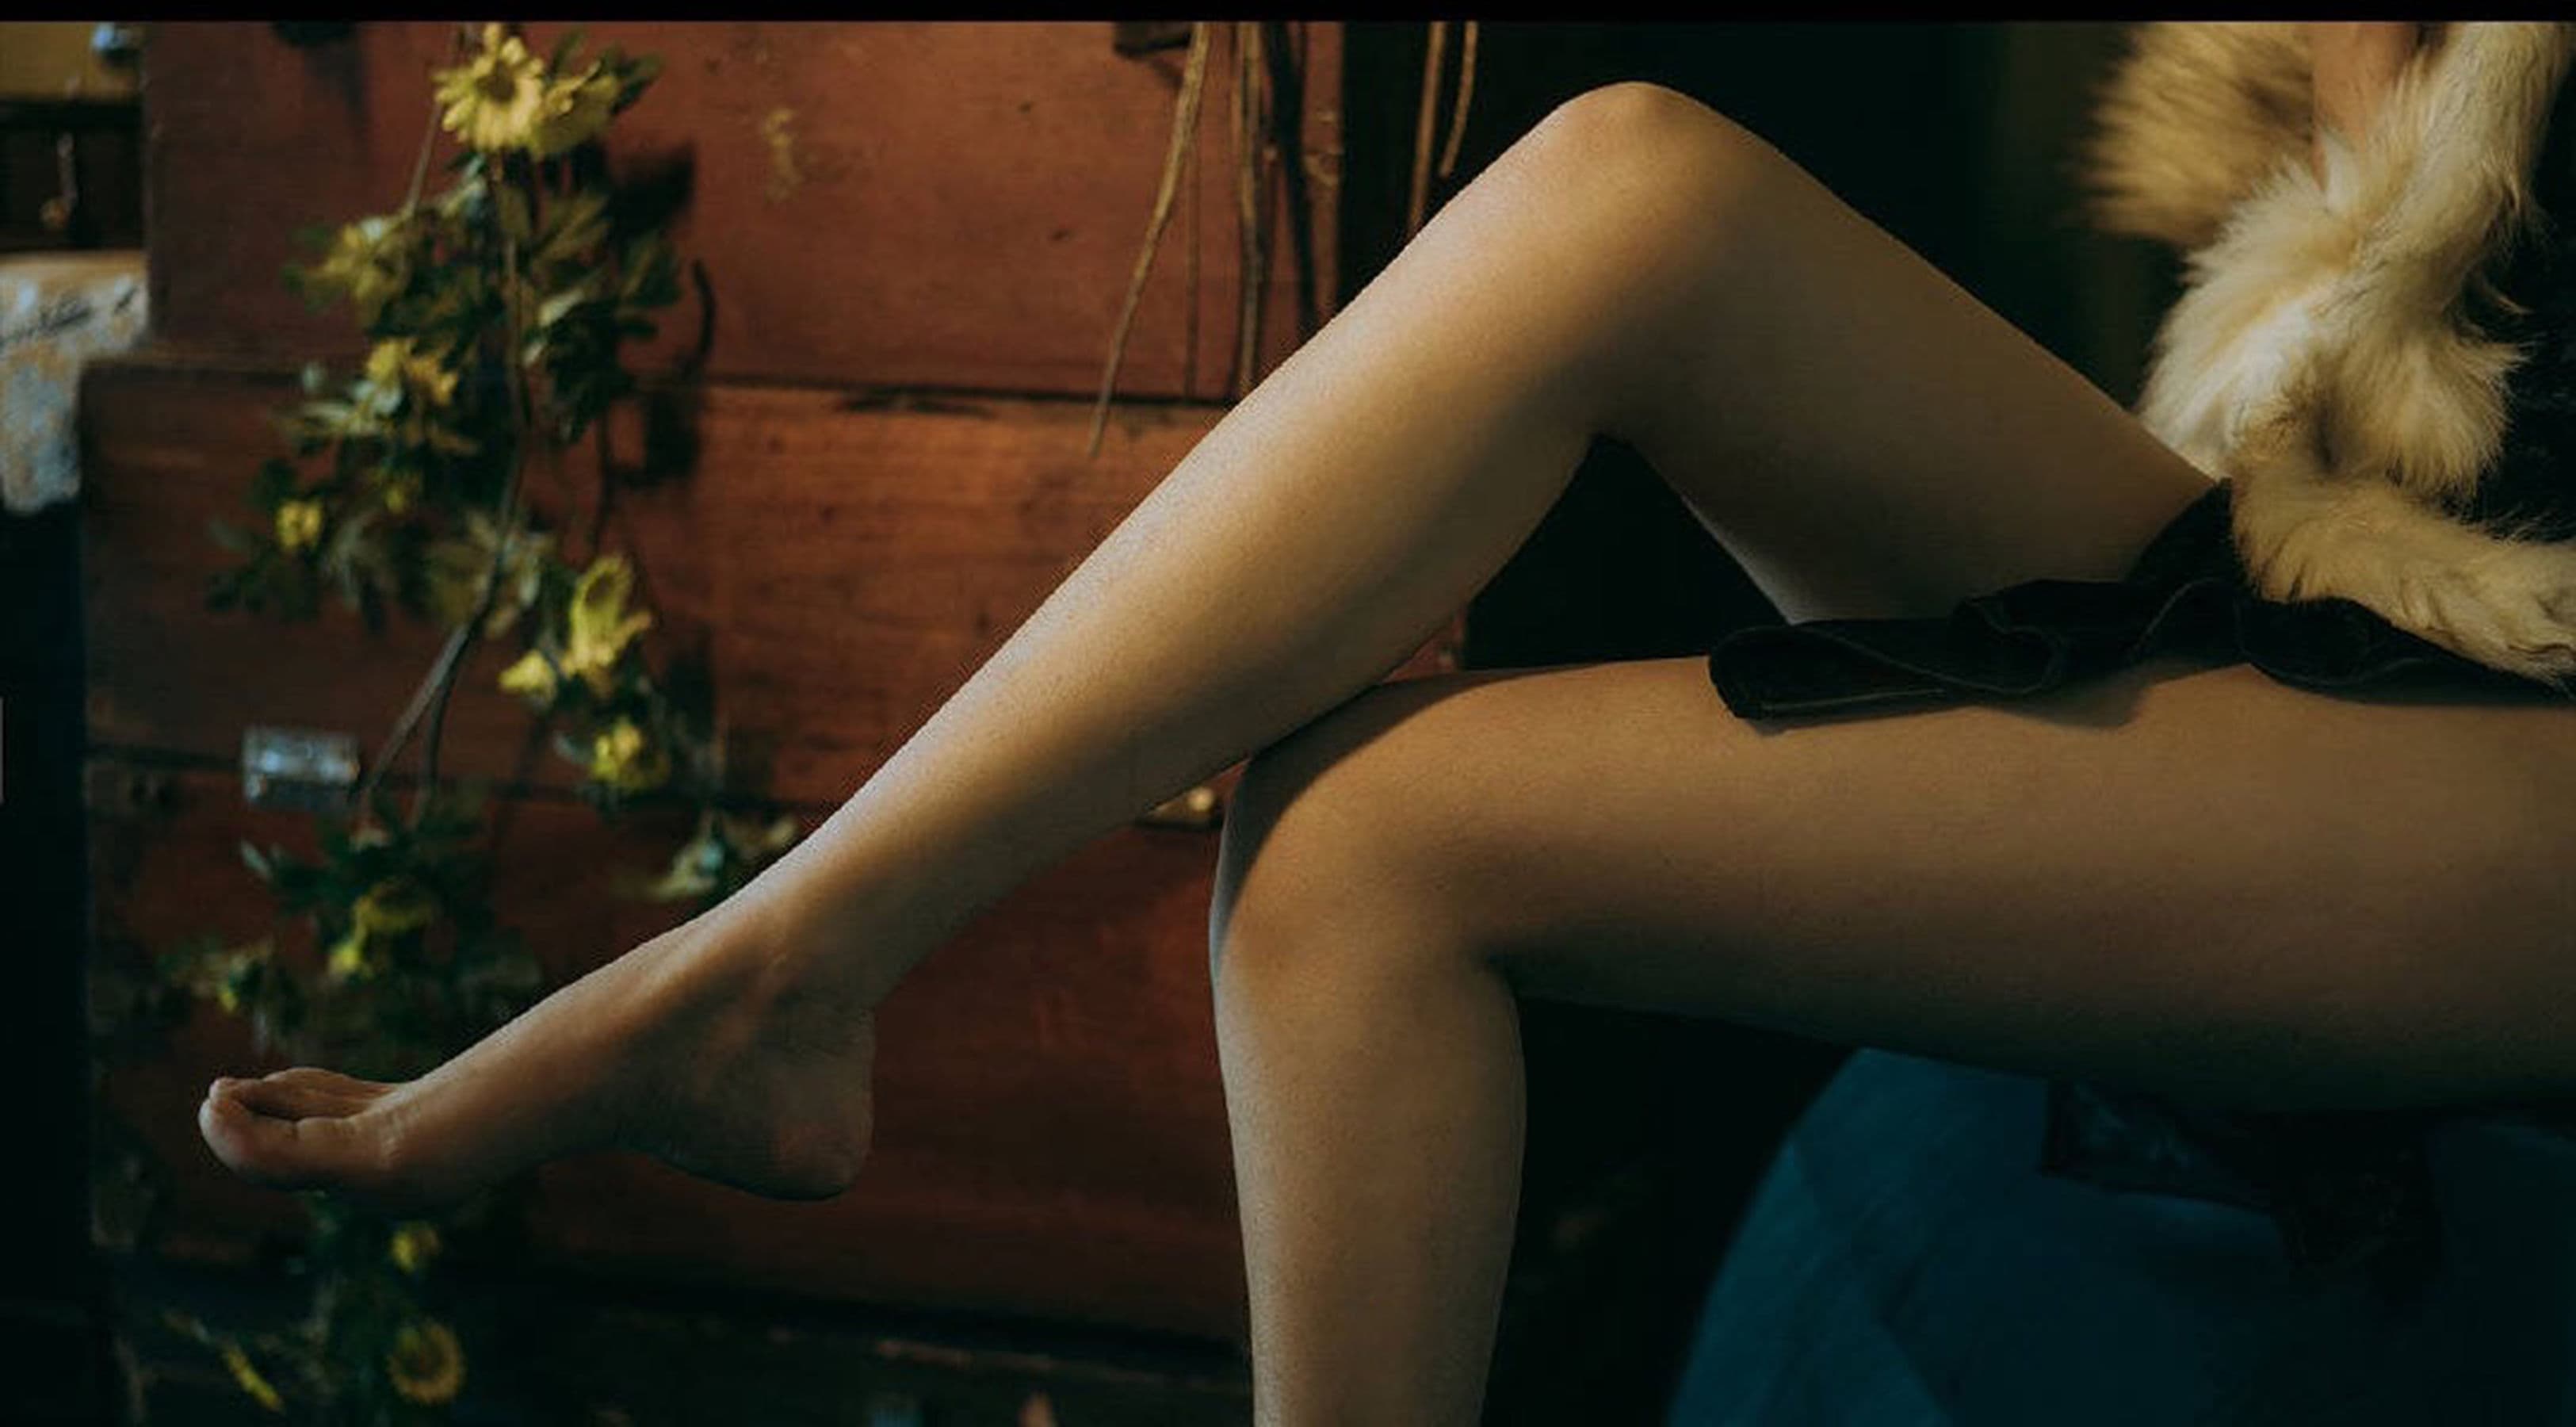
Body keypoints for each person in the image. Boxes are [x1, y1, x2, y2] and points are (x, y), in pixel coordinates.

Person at [198, 23, 2576, 1424]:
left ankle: (763, 990)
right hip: (2394, 580)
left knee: (1360, 838)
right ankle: (788, 956)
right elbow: (2400, 294)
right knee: (1630, 180)